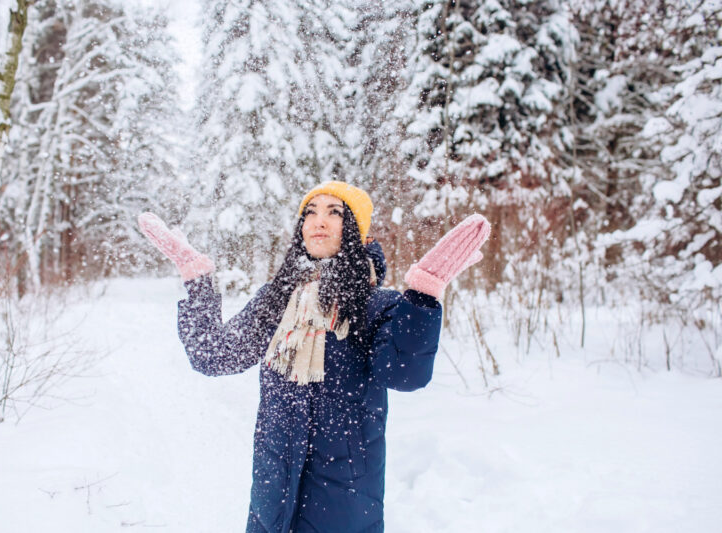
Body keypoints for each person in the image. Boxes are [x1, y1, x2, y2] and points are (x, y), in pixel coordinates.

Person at [138, 181, 490, 533]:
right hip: (273, 491)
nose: (319, 221)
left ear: (358, 233)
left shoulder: (375, 306)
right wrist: (197, 279)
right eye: (310, 212)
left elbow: (404, 373)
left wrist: (423, 296)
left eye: (335, 212)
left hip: (344, 499)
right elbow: (213, 355)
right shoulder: (277, 299)